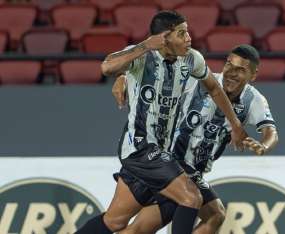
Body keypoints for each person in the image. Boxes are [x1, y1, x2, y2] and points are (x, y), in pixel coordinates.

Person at [75, 11, 247, 234]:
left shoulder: (191, 59)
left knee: (114, 221)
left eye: (187, 32)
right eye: (181, 33)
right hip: (140, 147)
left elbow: (214, 88)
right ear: (164, 38)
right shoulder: (142, 55)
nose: (189, 38)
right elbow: (107, 67)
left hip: (161, 152)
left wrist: (235, 124)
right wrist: (146, 45)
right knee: (190, 197)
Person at [111, 44, 279, 234]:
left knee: (139, 227)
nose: (231, 73)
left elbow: (271, 132)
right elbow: (154, 70)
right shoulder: (202, 80)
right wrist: (122, 76)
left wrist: (263, 146)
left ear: (253, 75)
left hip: (191, 173)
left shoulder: (253, 100)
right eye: (229, 65)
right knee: (212, 213)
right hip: (169, 161)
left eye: (240, 70)